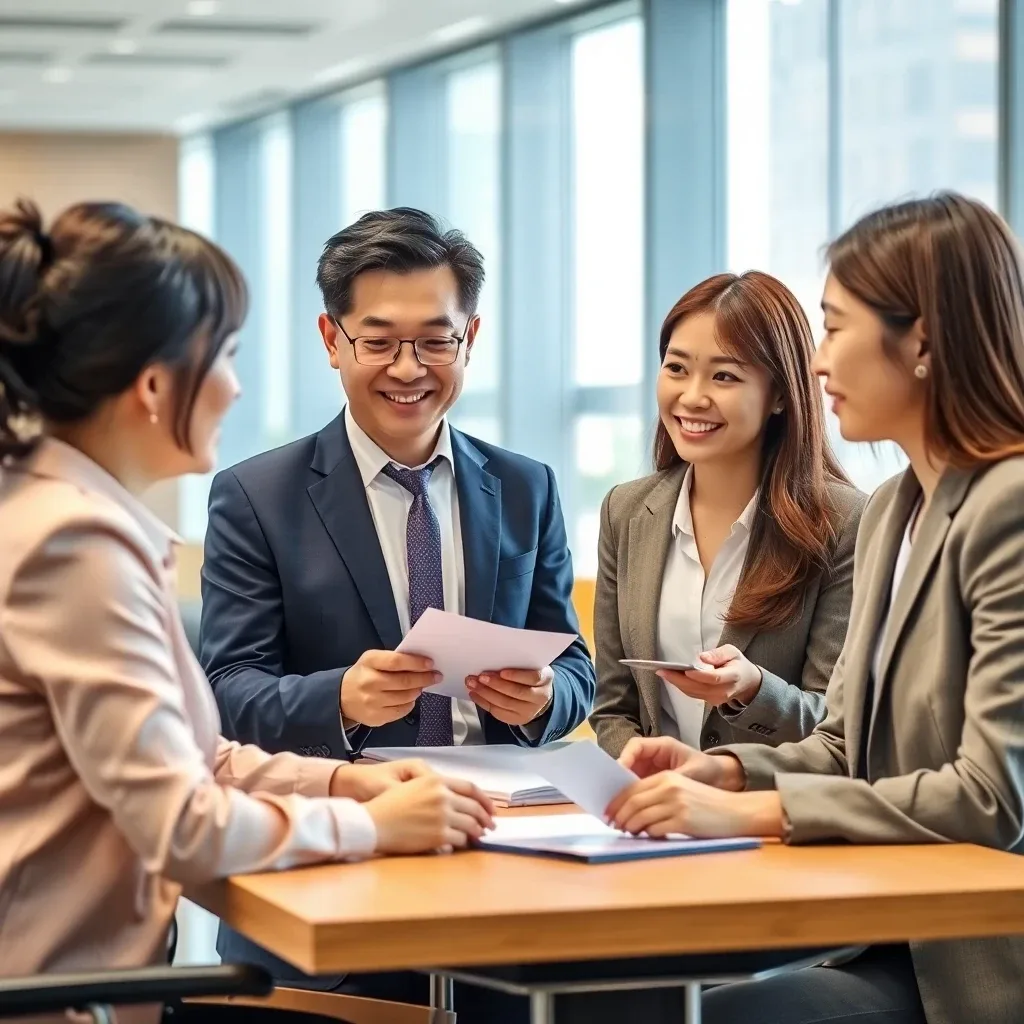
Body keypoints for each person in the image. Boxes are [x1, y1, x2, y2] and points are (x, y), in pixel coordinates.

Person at [0, 198, 494, 1024]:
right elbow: (185, 828)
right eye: (225, 355)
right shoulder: (73, 546)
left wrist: (349, 783)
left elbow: (194, 762)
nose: (234, 387)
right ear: (156, 385)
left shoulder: (63, 514)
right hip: (65, 997)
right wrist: (369, 826)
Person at [605, 193, 1024, 1024]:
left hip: (970, 952)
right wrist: (716, 771)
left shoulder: (1006, 504)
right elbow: (844, 743)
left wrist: (747, 808)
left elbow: (993, 798)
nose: (820, 362)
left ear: (925, 343)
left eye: (835, 328)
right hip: (877, 918)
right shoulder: (900, 506)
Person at [199, 207, 594, 1020]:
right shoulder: (256, 496)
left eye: (435, 340)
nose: (408, 368)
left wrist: (545, 698)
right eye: (378, 341)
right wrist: (339, 699)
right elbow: (226, 694)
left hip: (502, 860)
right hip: (331, 864)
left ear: (471, 336)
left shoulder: (527, 488)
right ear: (331, 338)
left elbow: (577, 666)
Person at [590, 272, 864, 758]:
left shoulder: (844, 522)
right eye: (676, 368)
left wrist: (753, 690)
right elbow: (614, 706)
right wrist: (637, 768)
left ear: (780, 395)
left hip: (768, 814)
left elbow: (840, 726)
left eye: (724, 376)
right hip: (654, 813)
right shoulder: (625, 511)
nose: (692, 396)